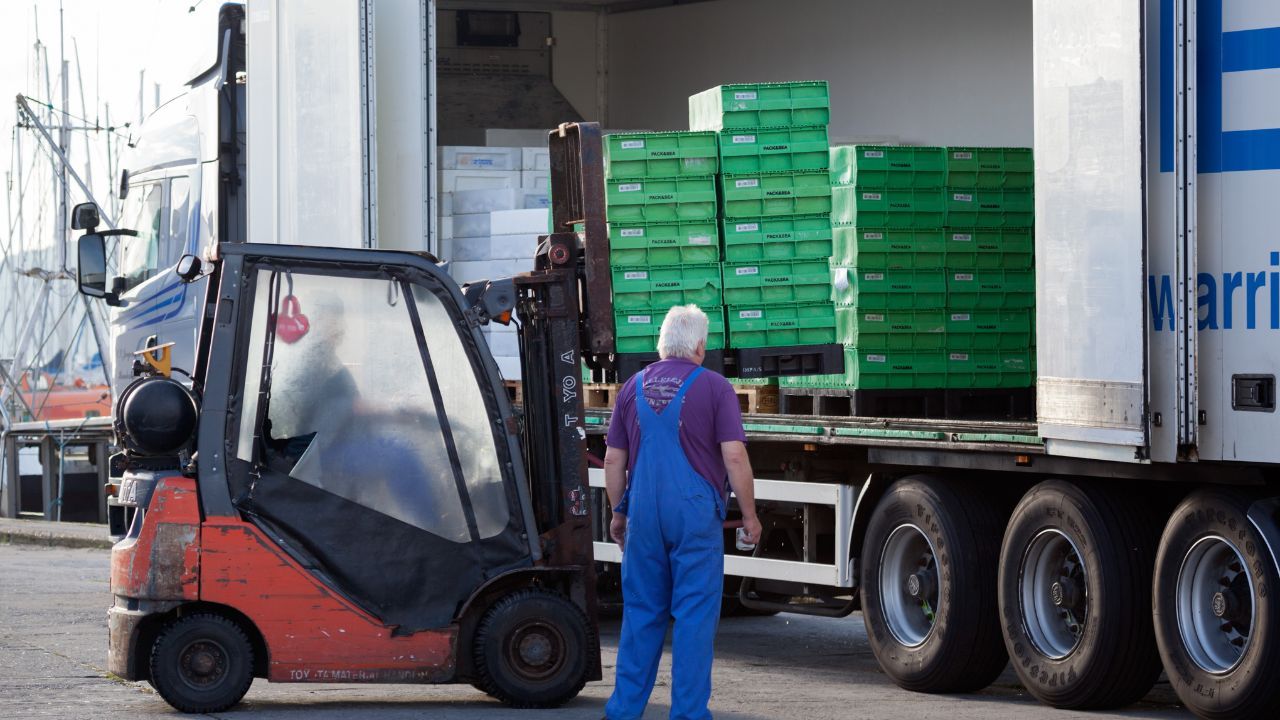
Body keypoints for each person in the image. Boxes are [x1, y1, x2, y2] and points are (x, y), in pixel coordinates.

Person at [603, 304, 762, 720]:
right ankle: (688, 714)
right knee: (692, 618)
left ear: (662, 343)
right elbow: (734, 456)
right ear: (698, 345)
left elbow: (613, 463)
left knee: (641, 613)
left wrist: (619, 514)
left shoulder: (631, 388)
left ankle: (622, 712)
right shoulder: (715, 388)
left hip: (643, 515)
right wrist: (749, 515)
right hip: (693, 517)